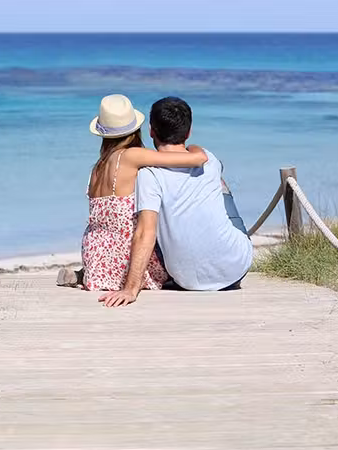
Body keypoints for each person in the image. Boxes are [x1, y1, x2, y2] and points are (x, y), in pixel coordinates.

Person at [99, 96, 253, 307]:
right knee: (220, 185)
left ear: (152, 131)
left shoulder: (148, 174)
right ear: (188, 132)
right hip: (236, 268)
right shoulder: (209, 157)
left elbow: (145, 232)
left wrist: (130, 289)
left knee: (154, 215)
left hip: (186, 280)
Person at [66, 94, 209, 292]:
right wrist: (194, 147)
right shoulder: (131, 156)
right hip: (125, 261)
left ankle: (84, 275)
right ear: (137, 129)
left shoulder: (97, 168)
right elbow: (196, 159)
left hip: (95, 259)